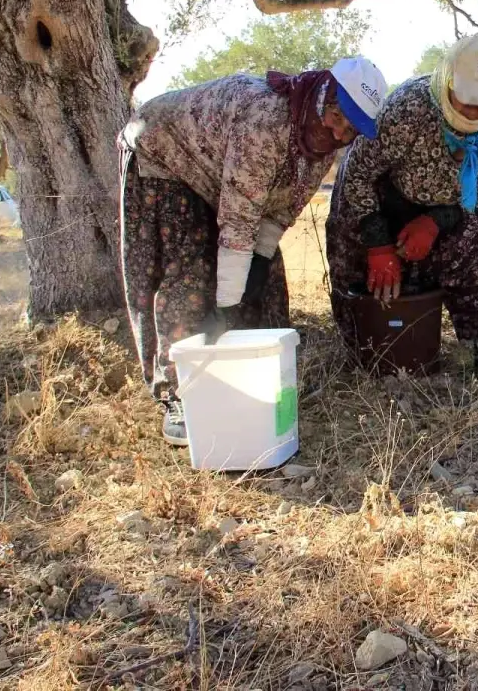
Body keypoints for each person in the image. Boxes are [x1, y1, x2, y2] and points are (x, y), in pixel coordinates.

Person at [119, 57, 387, 444]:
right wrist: (227, 303)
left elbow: (278, 213)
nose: (337, 131)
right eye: (335, 114)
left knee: (267, 280)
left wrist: (259, 262)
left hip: (216, 175)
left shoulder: (324, 145)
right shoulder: (267, 119)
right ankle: (180, 394)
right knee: (191, 269)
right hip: (164, 153)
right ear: (324, 94)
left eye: (350, 130)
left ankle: (250, 383)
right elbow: (239, 217)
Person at [325, 32, 478, 377]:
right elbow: (358, 175)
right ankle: (364, 345)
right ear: (448, 81)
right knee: (353, 250)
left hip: (452, 207)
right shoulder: (406, 109)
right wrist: (378, 244)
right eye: (467, 99)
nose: (475, 111)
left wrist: (436, 220)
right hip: (381, 195)